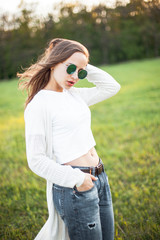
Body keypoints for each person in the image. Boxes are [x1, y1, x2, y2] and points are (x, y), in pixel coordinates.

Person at [18, 38, 121, 240]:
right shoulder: (39, 105)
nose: (75, 76)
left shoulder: (73, 95)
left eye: (80, 73)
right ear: (54, 61)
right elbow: (36, 160)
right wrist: (77, 180)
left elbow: (111, 87)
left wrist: (80, 62)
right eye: (70, 68)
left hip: (99, 177)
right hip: (77, 185)